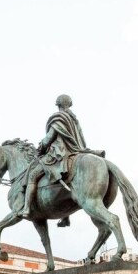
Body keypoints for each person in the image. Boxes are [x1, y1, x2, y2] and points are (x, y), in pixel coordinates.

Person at [18, 94, 104, 225]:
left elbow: (49, 138)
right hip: (76, 150)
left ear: (58, 104)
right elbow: (82, 140)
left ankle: (26, 208)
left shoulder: (58, 118)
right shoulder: (74, 119)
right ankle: (65, 216)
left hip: (59, 153)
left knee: (32, 175)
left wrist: (41, 147)